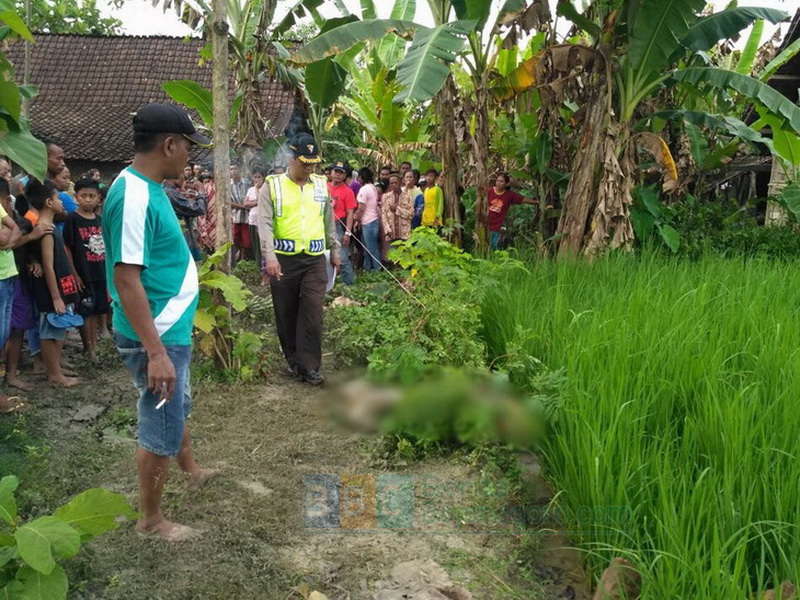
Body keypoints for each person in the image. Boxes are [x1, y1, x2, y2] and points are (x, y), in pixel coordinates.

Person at [103, 103, 217, 542]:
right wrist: (155, 353)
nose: (190, 155)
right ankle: (151, 521)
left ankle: (191, 469)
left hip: (168, 330)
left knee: (175, 406)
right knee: (161, 420)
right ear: (169, 144)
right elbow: (126, 278)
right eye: (188, 146)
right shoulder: (133, 195)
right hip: (158, 336)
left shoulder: (146, 188)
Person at [257, 132, 340, 386]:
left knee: (313, 311)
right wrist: (269, 257)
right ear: (291, 158)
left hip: (315, 259)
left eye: (313, 163)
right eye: (304, 163)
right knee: (286, 312)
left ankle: (311, 366)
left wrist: (334, 250)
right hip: (283, 260)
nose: (309, 168)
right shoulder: (272, 186)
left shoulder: (320, 186)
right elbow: (265, 224)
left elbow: (328, 220)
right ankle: (294, 362)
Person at [26, 179, 81, 388]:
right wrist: (56, 296)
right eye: (58, 198)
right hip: (51, 289)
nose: (61, 202)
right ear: (49, 202)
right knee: (50, 329)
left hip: (59, 285)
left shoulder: (48, 226)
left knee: (60, 327)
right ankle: (54, 374)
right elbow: (48, 266)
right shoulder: (45, 230)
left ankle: (55, 367)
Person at [63, 178, 107, 362]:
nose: (88, 200)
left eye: (92, 196)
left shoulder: (100, 220)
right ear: (76, 197)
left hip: (100, 272)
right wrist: (74, 273)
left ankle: (95, 347)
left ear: (98, 198)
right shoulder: (73, 219)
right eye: (84, 196)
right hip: (84, 273)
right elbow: (67, 247)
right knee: (86, 311)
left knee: (98, 308)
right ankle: (89, 348)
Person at [0, 179, 22, 412]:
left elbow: (13, 231)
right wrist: (8, 238)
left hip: (7, 276)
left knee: (3, 335)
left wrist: (8, 243)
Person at [488, 172, 538, 250]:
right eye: (497, 181)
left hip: (498, 226)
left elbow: (523, 199)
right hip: (486, 224)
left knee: (495, 247)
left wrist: (537, 202)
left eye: (501, 181)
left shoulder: (509, 195)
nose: (498, 183)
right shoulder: (489, 191)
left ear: (506, 184)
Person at [328, 161, 357, 286]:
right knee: (325, 257)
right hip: (322, 225)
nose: (337, 175)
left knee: (343, 257)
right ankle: (328, 285)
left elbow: (350, 213)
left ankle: (350, 285)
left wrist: (348, 233)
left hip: (338, 226)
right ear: (331, 172)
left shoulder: (348, 191)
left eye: (341, 173)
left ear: (345, 175)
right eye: (336, 171)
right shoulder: (324, 187)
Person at [355, 167, 381, 271]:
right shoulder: (373, 187)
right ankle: (368, 268)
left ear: (361, 177)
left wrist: (356, 219)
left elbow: (361, 207)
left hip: (368, 221)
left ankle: (377, 268)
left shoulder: (364, 189)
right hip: (373, 220)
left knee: (371, 248)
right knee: (367, 247)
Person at [381, 173, 413, 248]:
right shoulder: (385, 197)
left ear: (400, 182)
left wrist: (397, 209)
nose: (394, 185)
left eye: (396, 182)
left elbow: (411, 214)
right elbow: (384, 215)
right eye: (391, 183)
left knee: (404, 257)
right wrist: (387, 229)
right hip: (391, 233)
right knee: (393, 257)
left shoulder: (407, 196)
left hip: (404, 233)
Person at [245, 167, 266, 271]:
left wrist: (257, 190)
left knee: (263, 245)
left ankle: (264, 266)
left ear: (263, 178)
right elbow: (245, 204)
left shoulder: (266, 188)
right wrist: (256, 202)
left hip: (262, 221)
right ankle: (258, 266)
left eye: (259, 177)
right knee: (255, 244)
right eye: (255, 177)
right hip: (252, 220)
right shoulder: (250, 190)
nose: (257, 179)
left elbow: (263, 202)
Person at [230, 164, 250, 263]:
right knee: (235, 237)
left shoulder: (247, 183)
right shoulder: (228, 185)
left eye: (235, 168)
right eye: (231, 169)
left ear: (239, 170)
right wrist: (242, 206)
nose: (233, 171)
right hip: (235, 216)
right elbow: (228, 202)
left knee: (246, 239)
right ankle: (237, 255)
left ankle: (242, 257)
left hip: (247, 216)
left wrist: (248, 205)